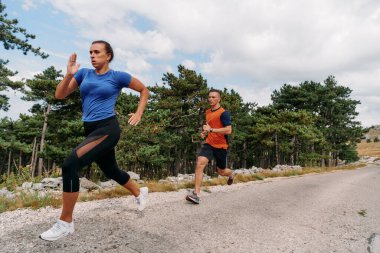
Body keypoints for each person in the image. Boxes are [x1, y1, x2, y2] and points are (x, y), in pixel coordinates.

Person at [39, 40, 150, 241]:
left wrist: (139, 112)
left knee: (70, 164)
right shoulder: (83, 74)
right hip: (90, 129)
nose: (92, 55)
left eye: (97, 52)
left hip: (108, 128)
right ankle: (139, 192)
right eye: (90, 52)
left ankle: (65, 223)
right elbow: (60, 95)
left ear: (108, 56)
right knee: (111, 170)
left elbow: (144, 90)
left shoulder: (118, 76)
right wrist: (69, 74)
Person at [186, 89, 234, 204]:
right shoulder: (207, 112)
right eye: (209, 97)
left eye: (213, 97)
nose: (210, 99)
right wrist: (205, 133)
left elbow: (229, 130)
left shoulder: (223, 113)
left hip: (221, 145)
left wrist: (211, 129)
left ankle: (231, 174)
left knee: (221, 172)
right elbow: (210, 128)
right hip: (209, 143)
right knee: (200, 162)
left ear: (219, 99)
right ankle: (196, 194)